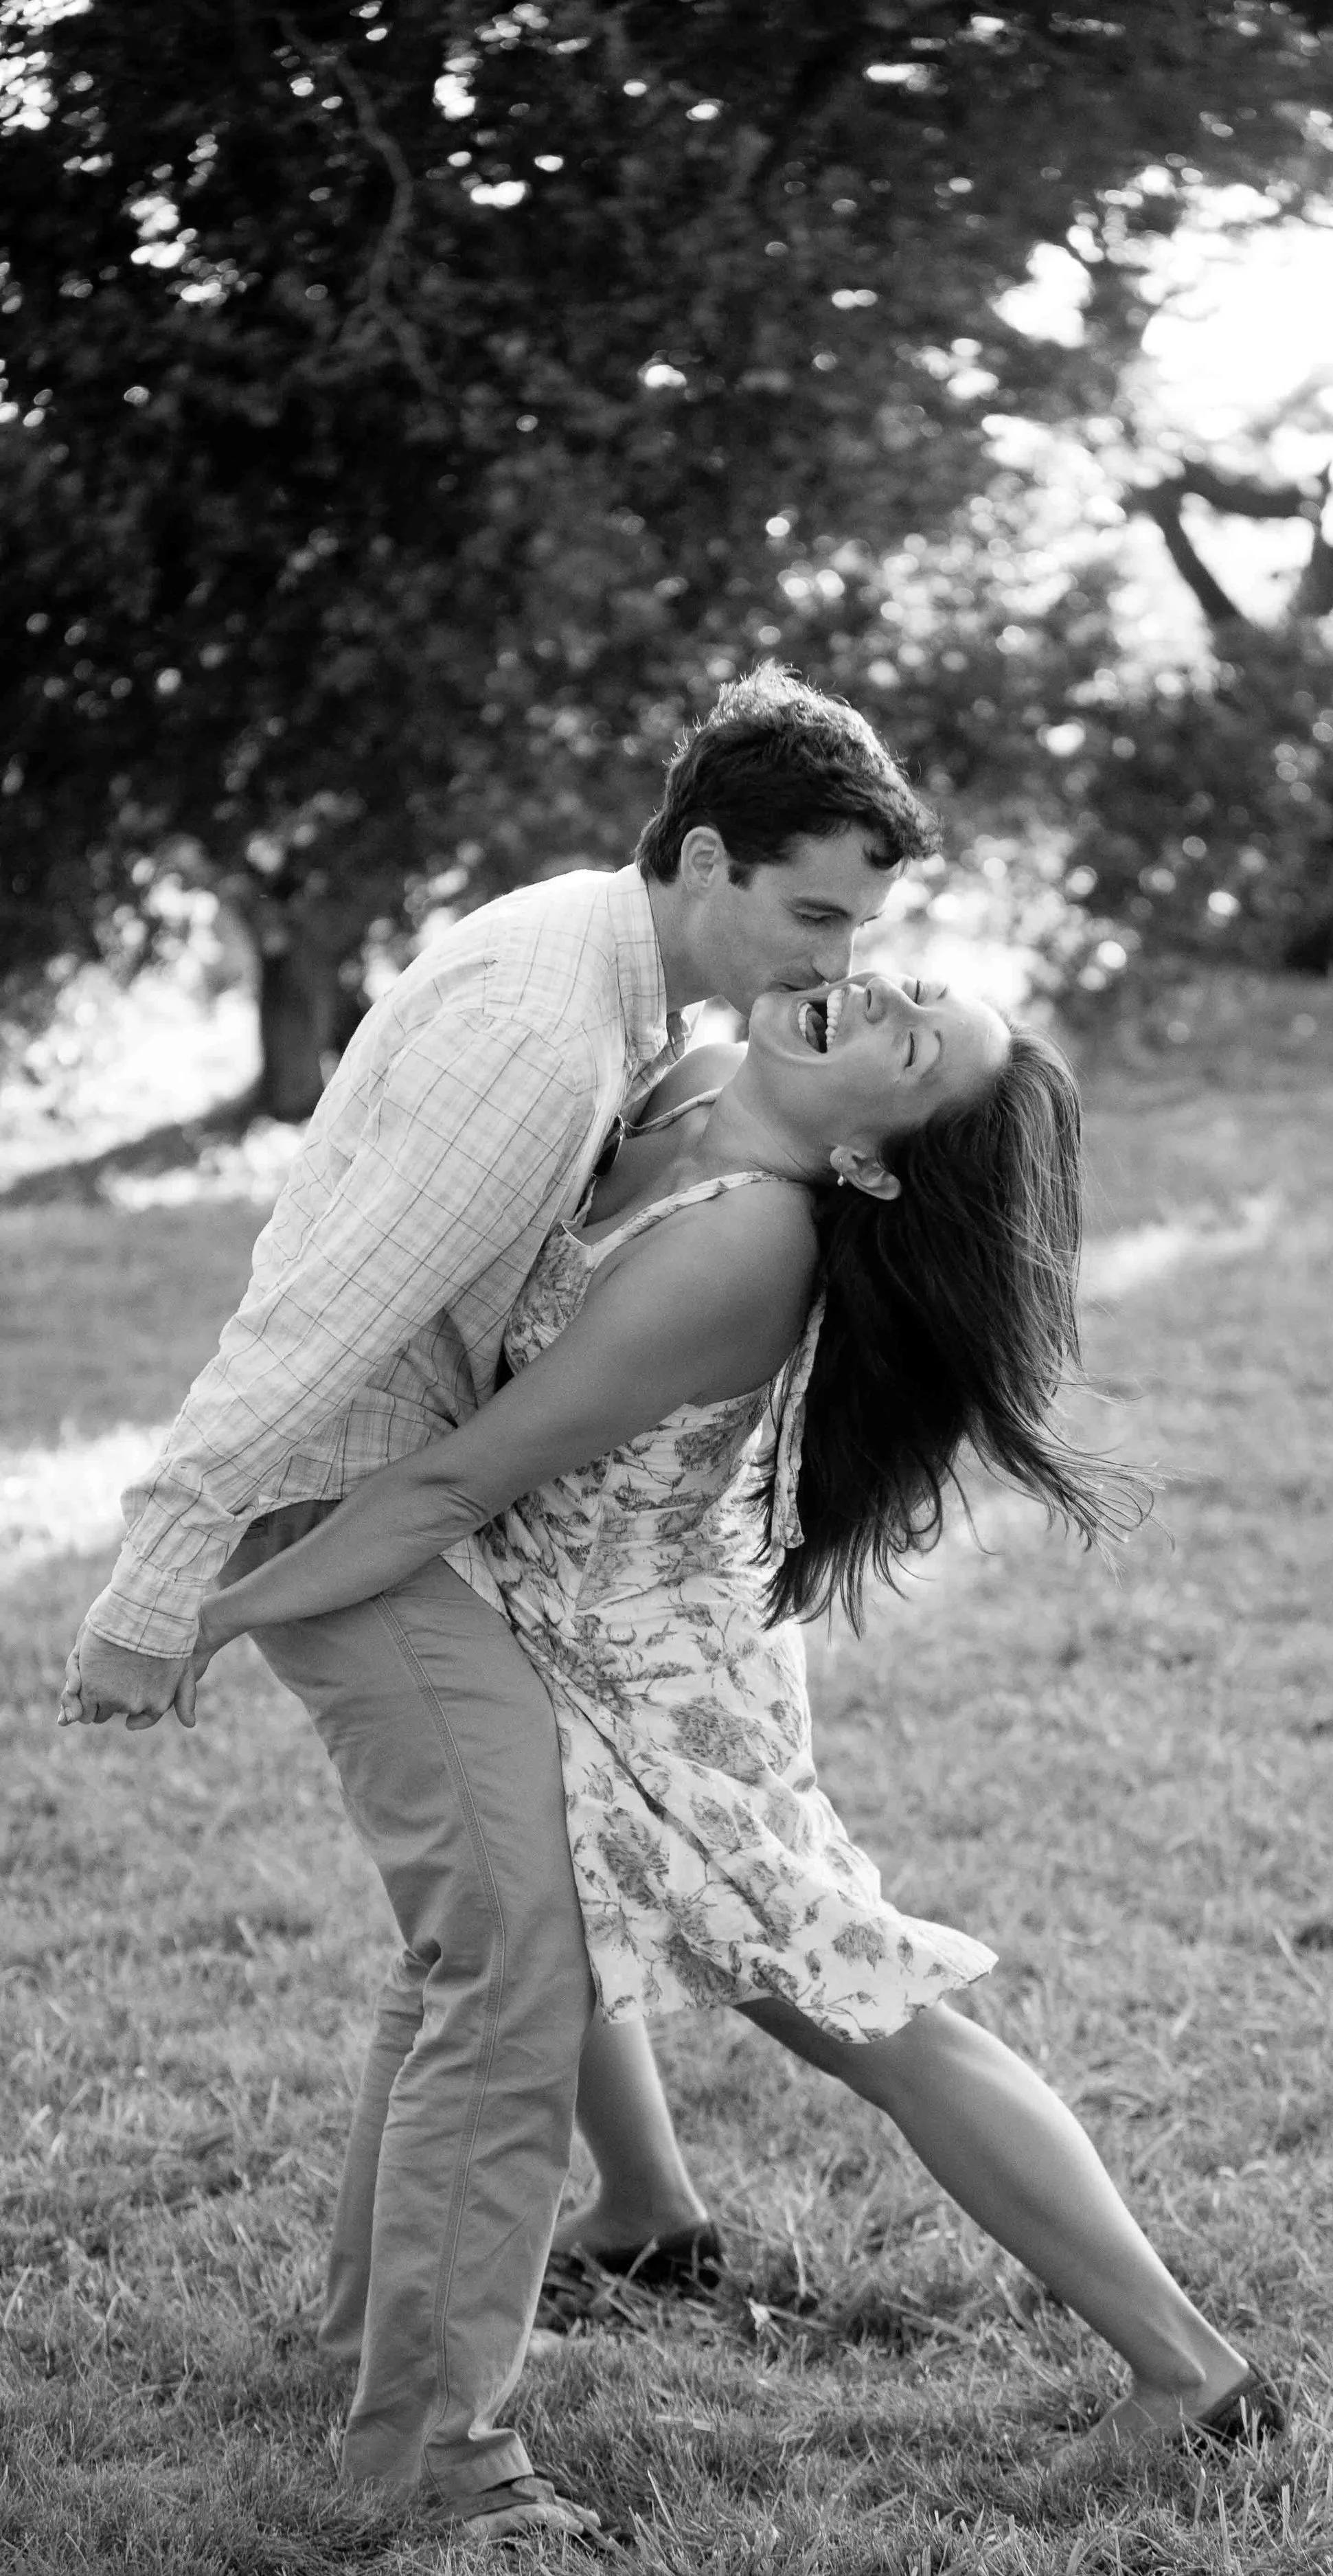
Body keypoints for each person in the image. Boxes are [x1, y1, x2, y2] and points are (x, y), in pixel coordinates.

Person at [187, 971, 1290, 2489]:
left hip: (652, 1668)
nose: (889, 996)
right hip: (566, 1613)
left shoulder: (743, 1247)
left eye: (918, 1050)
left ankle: (1189, 2369)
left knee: (858, 2003)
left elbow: (462, 1482)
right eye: (919, 989)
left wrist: (216, 1602)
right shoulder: (691, 1070)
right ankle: (637, 2221)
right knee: (517, 1929)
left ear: (872, 1161)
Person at [59, 669, 943, 2544]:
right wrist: (156, 1579)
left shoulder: (607, 958)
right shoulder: (548, 1030)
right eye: (810, 911)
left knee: (478, 1931)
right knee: (514, 1958)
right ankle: (432, 2457)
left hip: (413, 1502)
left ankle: (368, 2341)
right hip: (350, 1500)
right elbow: (316, 1310)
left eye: (862, 928)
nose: (837, 956)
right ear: (706, 858)